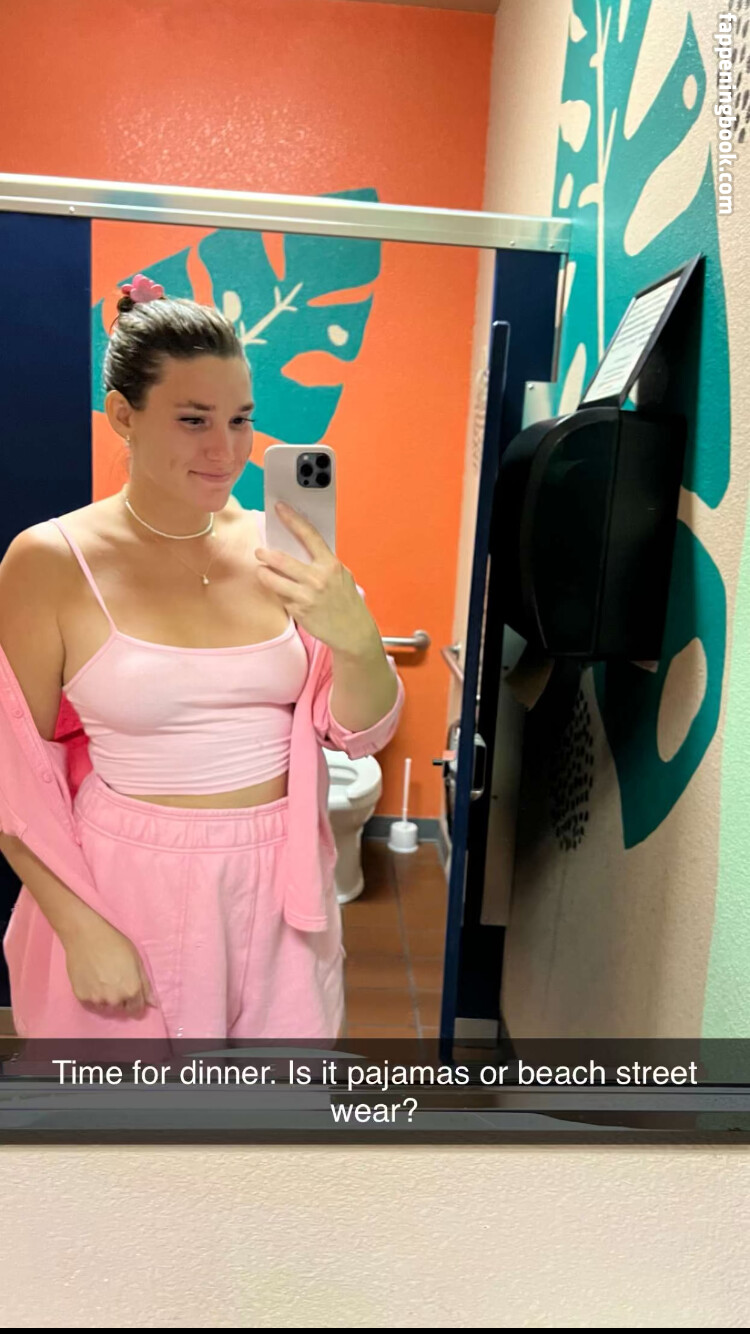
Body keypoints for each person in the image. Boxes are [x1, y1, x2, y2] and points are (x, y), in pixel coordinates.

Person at [0, 277, 404, 1039]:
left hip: (283, 880)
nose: (227, 450)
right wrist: (81, 928)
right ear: (124, 415)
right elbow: (13, 770)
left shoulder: (280, 548)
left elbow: (360, 733)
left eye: (240, 419)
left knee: (270, 1105)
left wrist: (354, 638)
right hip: (126, 881)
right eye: (194, 420)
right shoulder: (50, 561)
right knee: (129, 1110)